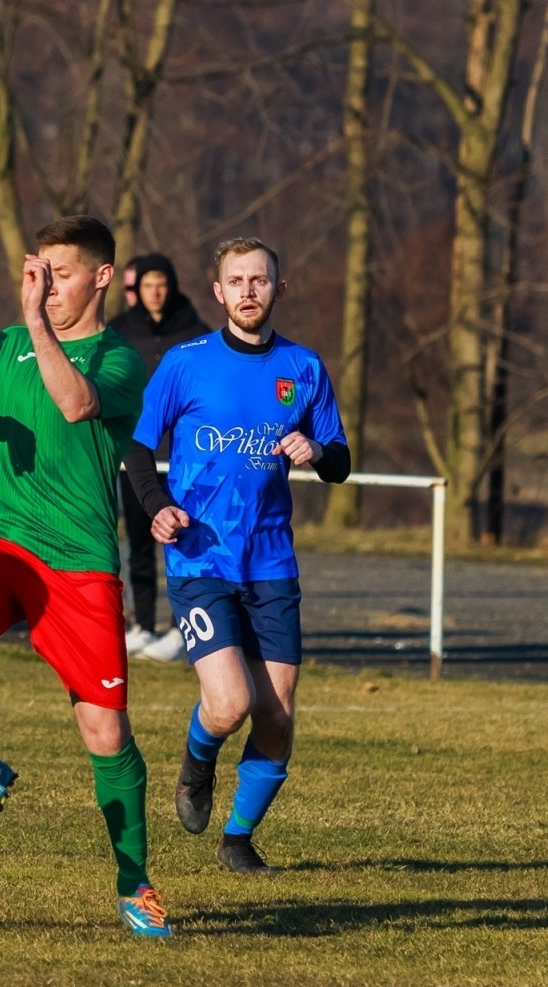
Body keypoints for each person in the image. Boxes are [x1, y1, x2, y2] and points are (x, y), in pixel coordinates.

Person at [0, 216, 173, 939]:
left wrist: (32, 322)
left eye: (61, 273)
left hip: (81, 566)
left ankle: (133, 881)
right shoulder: (8, 346)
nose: (47, 287)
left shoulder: (120, 358)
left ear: (102, 278)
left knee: (105, 730)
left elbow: (76, 402)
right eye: (39, 271)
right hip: (7, 542)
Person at [123, 237, 350, 876]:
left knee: (276, 714)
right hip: (200, 558)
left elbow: (340, 459)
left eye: (260, 279)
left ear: (279, 290)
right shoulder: (184, 362)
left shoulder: (303, 368)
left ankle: (239, 838)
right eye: (236, 280)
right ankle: (197, 765)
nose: (249, 290)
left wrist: (317, 452)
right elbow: (137, 450)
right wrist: (157, 505)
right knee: (229, 704)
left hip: (272, 564)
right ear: (218, 292)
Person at [108, 254, 211, 662]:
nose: (155, 292)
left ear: (171, 286)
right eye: (148, 284)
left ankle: (184, 627)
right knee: (137, 539)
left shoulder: (196, 333)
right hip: (136, 457)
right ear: (138, 289)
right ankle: (144, 624)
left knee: (188, 540)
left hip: (186, 459)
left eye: (162, 283)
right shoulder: (118, 331)